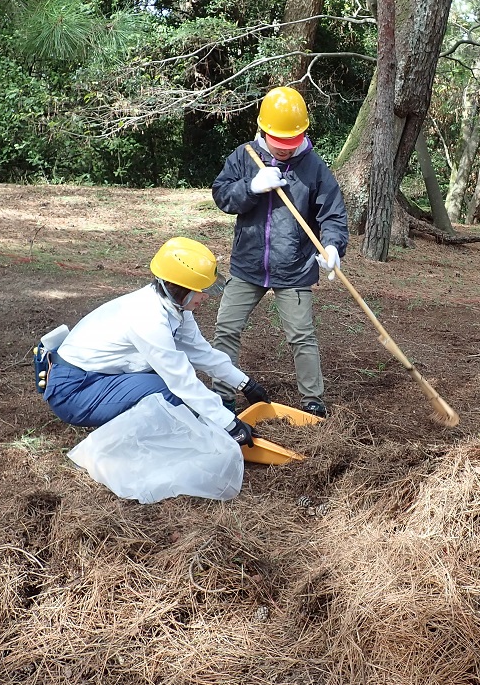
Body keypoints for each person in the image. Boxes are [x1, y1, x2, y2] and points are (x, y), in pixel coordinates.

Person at [34, 237, 270, 446]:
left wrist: (245, 384)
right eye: (202, 290)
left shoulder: (176, 309)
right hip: (74, 390)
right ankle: (150, 449)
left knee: (171, 388)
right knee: (166, 392)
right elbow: (180, 380)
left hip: (100, 377)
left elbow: (201, 353)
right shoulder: (147, 317)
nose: (206, 296)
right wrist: (229, 425)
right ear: (181, 290)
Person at [211, 86, 349, 417]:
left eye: (291, 143)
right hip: (248, 264)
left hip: (296, 267)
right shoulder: (244, 156)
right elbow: (222, 195)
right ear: (264, 129)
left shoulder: (313, 166)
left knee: (302, 335)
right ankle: (222, 398)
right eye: (278, 143)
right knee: (226, 329)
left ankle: (313, 402)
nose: (285, 150)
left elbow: (332, 214)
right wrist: (251, 187)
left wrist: (332, 245)